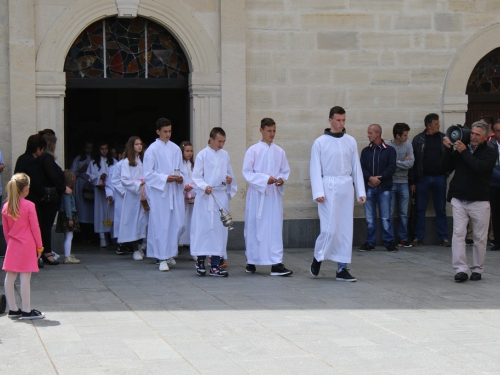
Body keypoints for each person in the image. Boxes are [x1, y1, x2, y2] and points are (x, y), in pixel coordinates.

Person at [309, 106, 366, 281]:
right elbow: (315, 168)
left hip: (346, 186)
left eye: (343, 120)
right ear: (330, 120)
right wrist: (318, 191)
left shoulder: (350, 141)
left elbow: (356, 166)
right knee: (329, 228)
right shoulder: (320, 142)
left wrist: (361, 191)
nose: (341, 124)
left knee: (345, 228)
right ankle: (318, 256)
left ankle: (342, 268)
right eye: (338, 120)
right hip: (328, 186)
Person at [442, 121, 497, 282]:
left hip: (479, 200)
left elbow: (479, 168)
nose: (472, 137)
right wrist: (447, 150)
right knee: (458, 234)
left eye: (477, 135)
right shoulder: (461, 148)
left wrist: (465, 152)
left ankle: (477, 269)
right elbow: (444, 168)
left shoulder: (490, 152)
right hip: (459, 198)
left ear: (485, 137)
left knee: (480, 237)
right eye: (472, 133)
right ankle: (460, 270)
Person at [242, 118, 292, 276]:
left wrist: (281, 180)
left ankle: (276, 263)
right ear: (261, 130)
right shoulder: (253, 150)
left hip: (273, 196)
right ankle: (252, 260)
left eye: (274, 131)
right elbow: (247, 172)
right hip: (258, 195)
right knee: (255, 227)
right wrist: (265, 179)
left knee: (275, 228)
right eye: (269, 131)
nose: (272, 134)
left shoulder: (280, 151)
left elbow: (285, 171)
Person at [191, 127, 237, 277]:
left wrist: (229, 179)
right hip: (205, 198)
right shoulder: (202, 155)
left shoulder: (225, 155)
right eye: (219, 141)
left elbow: (229, 174)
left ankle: (216, 265)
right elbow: (196, 176)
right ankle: (200, 262)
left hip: (219, 197)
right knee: (203, 229)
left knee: (219, 231)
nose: (221, 144)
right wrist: (205, 186)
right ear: (211, 139)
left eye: (224, 141)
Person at [143, 118, 185, 272]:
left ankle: (170, 253)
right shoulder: (152, 150)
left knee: (177, 223)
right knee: (161, 224)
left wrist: (180, 178)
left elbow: (181, 169)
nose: (168, 134)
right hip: (160, 193)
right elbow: (148, 174)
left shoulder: (175, 149)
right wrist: (164, 178)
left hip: (174, 191)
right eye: (165, 131)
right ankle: (161, 257)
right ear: (158, 132)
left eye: (170, 131)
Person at [2, 173, 45, 319]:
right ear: (27, 189)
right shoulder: (29, 206)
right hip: (27, 245)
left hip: (13, 244)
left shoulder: (6, 207)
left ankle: (13, 309)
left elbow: (6, 231)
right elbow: (35, 228)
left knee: (10, 276)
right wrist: (39, 247)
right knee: (25, 278)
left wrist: (11, 245)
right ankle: (26, 310)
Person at [409, 113, 450, 247]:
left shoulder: (443, 138)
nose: (439, 126)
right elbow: (413, 162)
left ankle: (443, 237)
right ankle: (418, 237)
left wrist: (446, 173)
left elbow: (451, 157)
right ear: (429, 125)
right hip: (423, 178)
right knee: (420, 209)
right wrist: (413, 181)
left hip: (439, 177)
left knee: (441, 208)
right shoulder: (418, 139)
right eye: (436, 124)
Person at [359, 124, 397, 252]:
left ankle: (389, 242)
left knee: (386, 217)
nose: (368, 135)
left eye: (370, 133)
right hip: (369, 187)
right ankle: (370, 242)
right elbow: (361, 167)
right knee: (369, 218)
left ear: (378, 133)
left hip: (384, 188)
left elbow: (392, 167)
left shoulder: (389, 150)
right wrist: (370, 178)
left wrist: (379, 179)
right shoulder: (366, 151)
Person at [39, 133, 72, 265]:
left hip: (50, 197)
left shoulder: (47, 158)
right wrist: (64, 187)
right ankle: (46, 252)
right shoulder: (47, 158)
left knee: (45, 225)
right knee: (46, 226)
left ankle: (46, 251)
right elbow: (53, 176)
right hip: (49, 198)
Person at [119, 137, 148, 261]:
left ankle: (141, 245)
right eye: (136, 144)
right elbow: (124, 180)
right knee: (133, 222)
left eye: (141, 144)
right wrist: (138, 185)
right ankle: (135, 249)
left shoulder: (143, 160)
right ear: (132, 146)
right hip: (133, 195)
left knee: (143, 221)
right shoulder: (126, 162)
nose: (139, 146)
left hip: (143, 194)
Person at [386, 123, 414, 247]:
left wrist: (395, 164)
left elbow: (411, 163)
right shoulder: (388, 145)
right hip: (391, 182)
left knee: (403, 213)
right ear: (397, 135)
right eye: (405, 135)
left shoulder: (408, 145)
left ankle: (403, 238)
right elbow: (387, 164)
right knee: (390, 214)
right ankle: (390, 239)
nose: (407, 137)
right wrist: (402, 162)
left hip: (404, 182)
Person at [88, 140, 116, 248]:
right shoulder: (94, 162)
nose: (104, 151)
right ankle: (102, 237)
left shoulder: (113, 161)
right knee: (100, 213)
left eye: (106, 149)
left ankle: (113, 236)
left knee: (111, 213)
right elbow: (90, 177)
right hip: (100, 192)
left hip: (110, 192)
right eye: (101, 149)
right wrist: (100, 177)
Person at [55, 170, 81, 264]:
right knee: (69, 235)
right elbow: (68, 206)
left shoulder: (66, 192)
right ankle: (67, 256)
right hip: (68, 215)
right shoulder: (67, 193)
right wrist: (70, 218)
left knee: (67, 236)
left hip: (65, 215)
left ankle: (68, 254)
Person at [70, 140, 94, 238]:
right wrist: (81, 170)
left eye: (91, 148)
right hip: (80, 186)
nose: (89, 150)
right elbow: (71, 173)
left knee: (92, 209)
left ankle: (91, 233)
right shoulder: (79, 159)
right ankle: (82, 233)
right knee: (81, 209)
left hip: (91, 185)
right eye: (87, 147)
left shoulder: (94, 159)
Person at [106, 145, 126, 253]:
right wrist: (109, 193)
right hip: (120, 197)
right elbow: (110, 183)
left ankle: (132, 244)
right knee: (119, 219)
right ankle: (121, 243)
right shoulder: (114, 167)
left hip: (133, 197)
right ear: (119, 155)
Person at [178, 141, 196, 251]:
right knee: (182, 219)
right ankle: (178, 241)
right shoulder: (179, 165)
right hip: (182, 195)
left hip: (192, 196)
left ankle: (189, 241)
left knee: (191, 219)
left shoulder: (193, 165)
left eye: (191, 151)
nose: (189, 153)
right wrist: (184, 187)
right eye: (187, 151)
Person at [489, 120, 500, 251]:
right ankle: (497, 241)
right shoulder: (490, 145)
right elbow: (490, 165)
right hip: (494, 183)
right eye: (497, 131)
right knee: (496, 213)